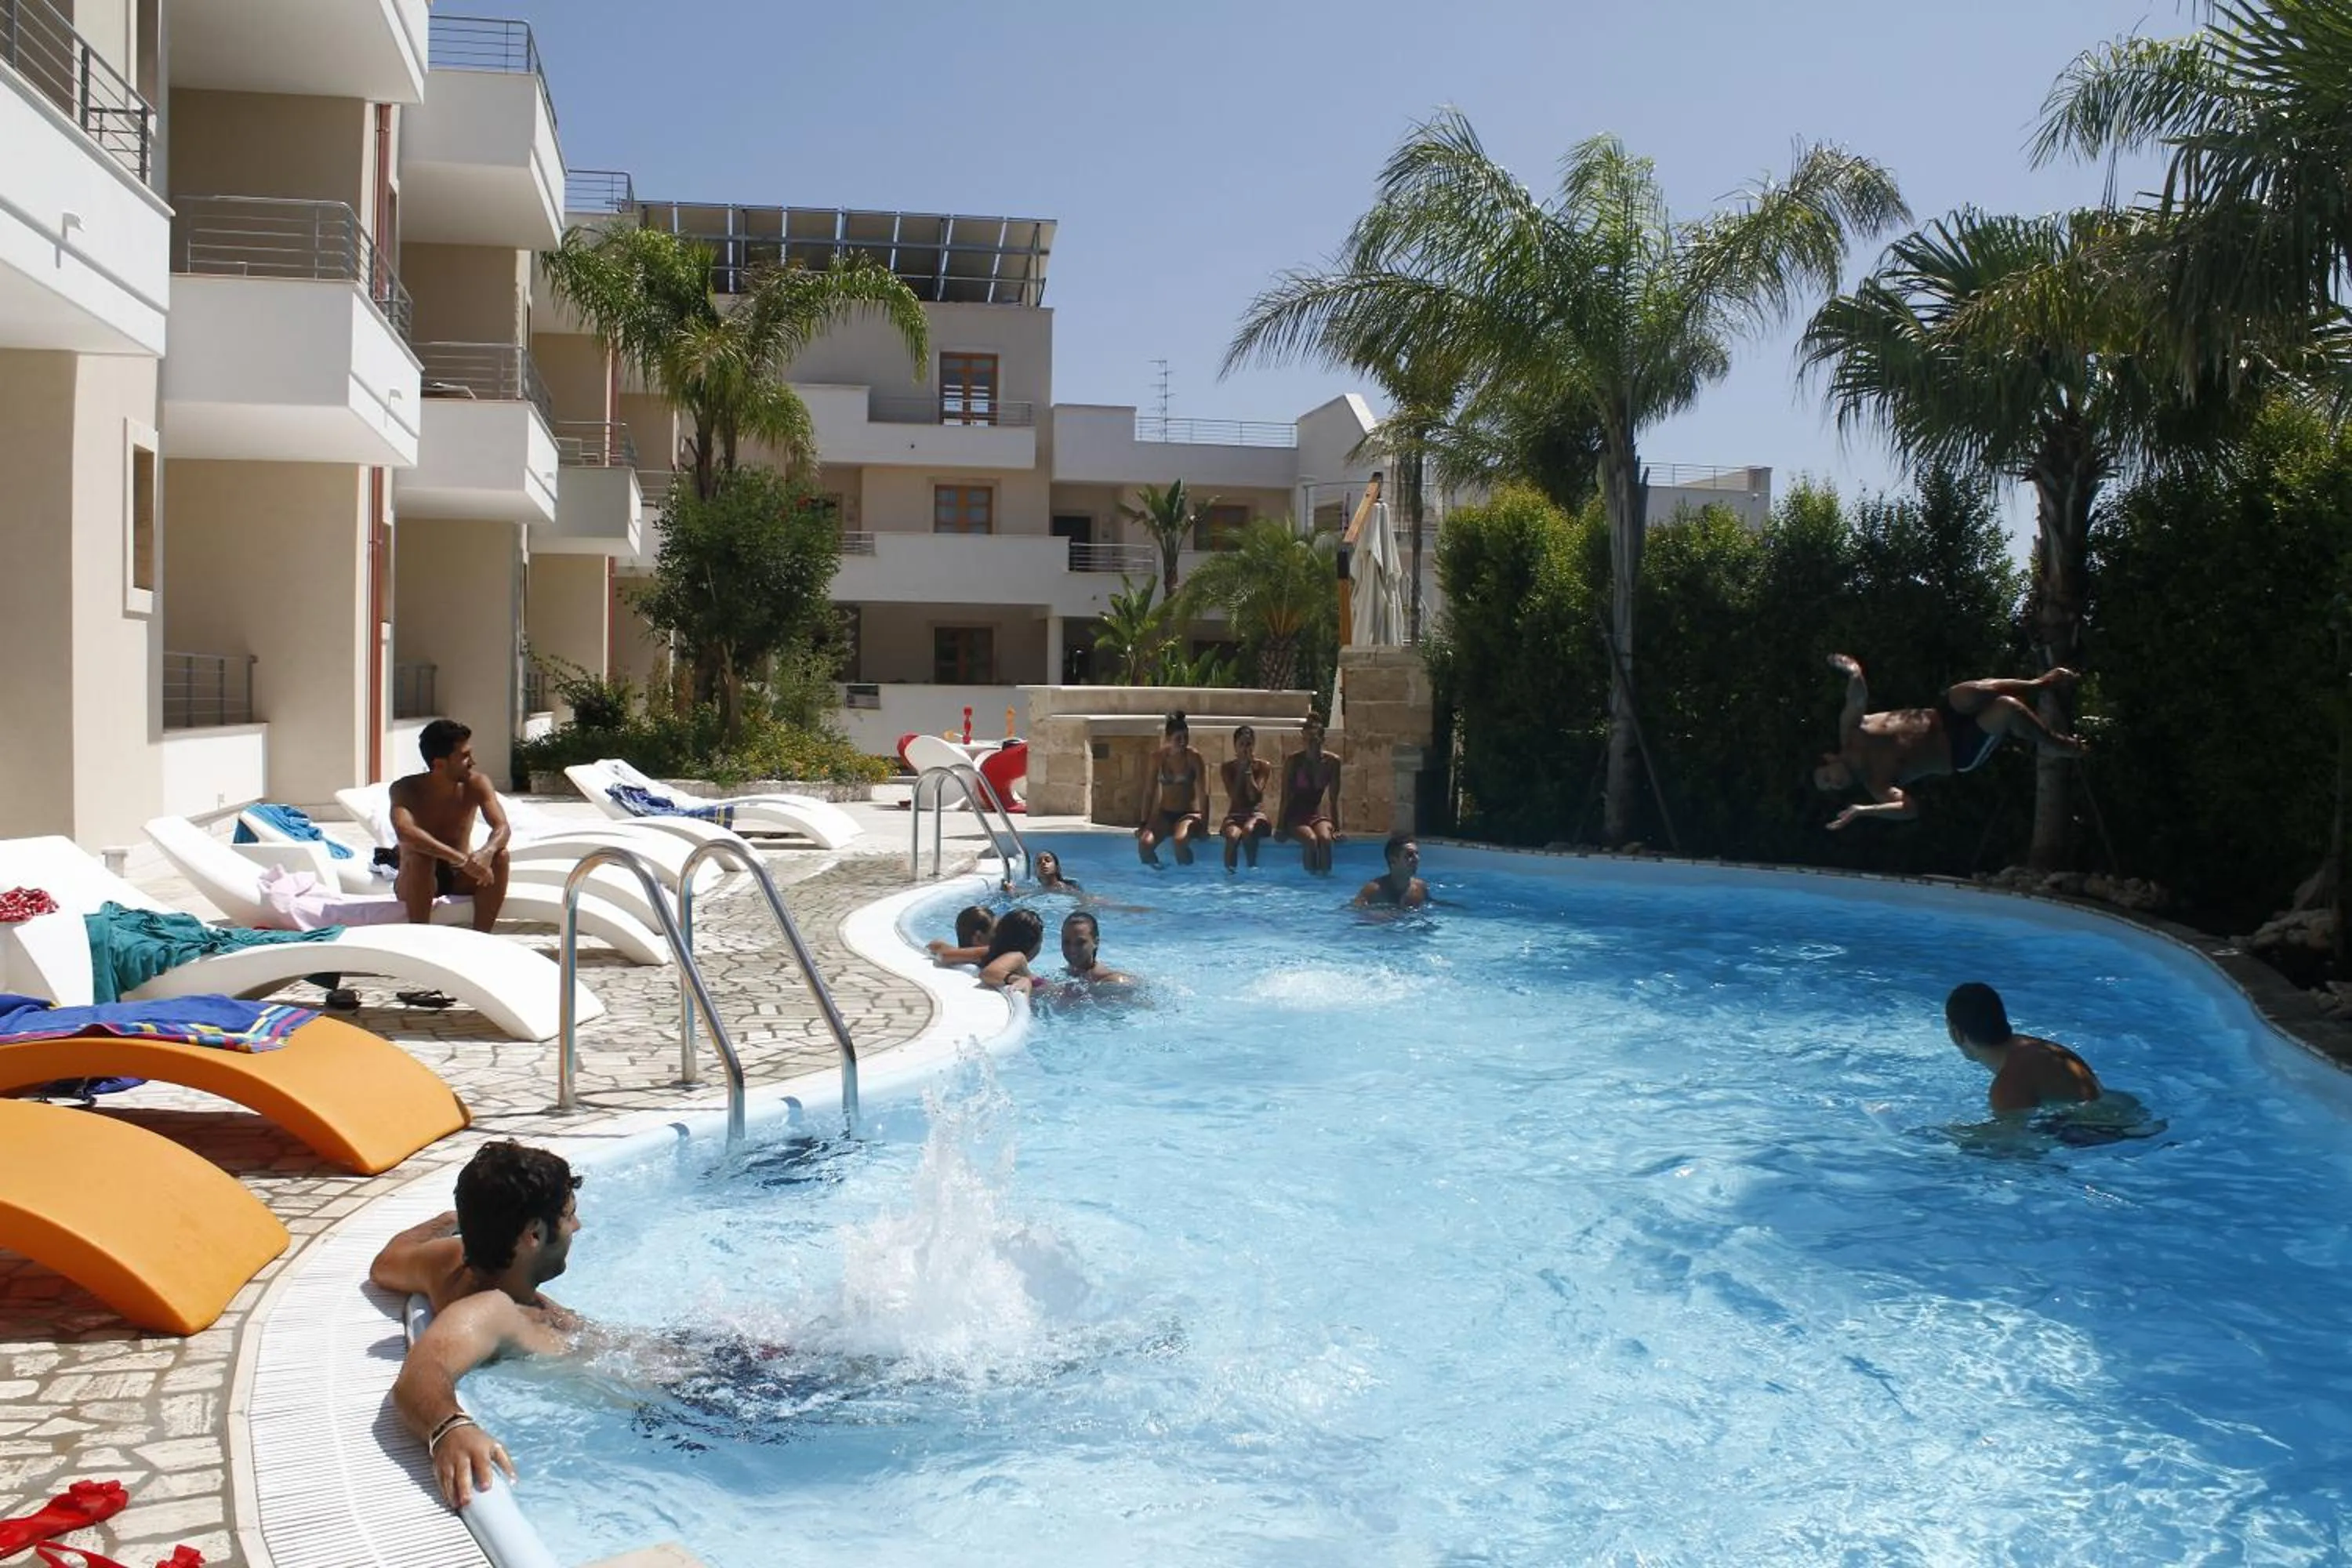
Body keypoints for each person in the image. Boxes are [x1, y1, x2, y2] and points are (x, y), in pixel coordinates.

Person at [376, 1141, 585, 1510]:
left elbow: (385, 1263)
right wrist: (449, 1427)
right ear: (533, 1234)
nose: (577, 1227)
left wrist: (456, 1219)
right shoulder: (492, 1309)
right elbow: (420, 1373)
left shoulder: (451, 1258)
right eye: (569, 1216)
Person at [1815, 655, 2086, 829]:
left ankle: (2041, 684)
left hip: (1944, 716)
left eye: (1826, 778)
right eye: (1831, 789)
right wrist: (1864, 811)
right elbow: (1909, 809)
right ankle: (2053, 743)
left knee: (1968, 692)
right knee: (2007, 708)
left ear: (1830, 758)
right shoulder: (1876, 784)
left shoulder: (1850, 730)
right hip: (1959, 750)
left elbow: (1857, 700)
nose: (1834, 785)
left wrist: (1854, 672)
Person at [388, 718, 511, 931]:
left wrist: (487, 852)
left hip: (460, 877)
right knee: (421, 858)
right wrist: (462, 860)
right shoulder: (405, 789)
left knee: (501, 856)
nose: (473, 762)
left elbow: (502, 827)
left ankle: (482, 939)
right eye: (464, 757)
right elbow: (406, 833)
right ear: (439, 764)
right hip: (416, 878)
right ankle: (420, 939)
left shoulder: (476, 783)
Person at [1944, 982, 2102, 1113]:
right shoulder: (2035, 1049)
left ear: (1956, 1033)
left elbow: (2017, 1145)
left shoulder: (2009, 1084)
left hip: (2099, 1135)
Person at [1137, 711, 1209, 866]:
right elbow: (1149, 792)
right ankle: (1160, 876)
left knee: (1180, 841)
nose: (1183, 743)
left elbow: (1203, 793)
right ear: (1168, 739)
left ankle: (1187, 878)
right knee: (1144, 845)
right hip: (1165, 814)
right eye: (1178, 739)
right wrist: (1143, 823)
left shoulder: (1194, 758)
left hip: (1188, 814)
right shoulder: (1157, 758)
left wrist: (1205, 826)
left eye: (1186, 738)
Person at [1279, 715, 1343, 873]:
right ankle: (1311, 885)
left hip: (1316, 815)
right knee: (1311, 840)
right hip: (1295, 816)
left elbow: (1333, 799)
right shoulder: (1294, 761)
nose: (1310, 744)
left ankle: (1325, 883)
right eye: (1306, 740)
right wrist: (1280, 827)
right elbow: (1285, 796)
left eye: (1314, 740)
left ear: (1322, 740)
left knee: (1326, 840)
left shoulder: (1332, 762)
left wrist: (1337, 828)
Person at [1036, 910, 1138, 1004]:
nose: (1072, 949)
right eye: (1067, 942)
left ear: (1096, 942)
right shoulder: (1059, 977)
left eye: (1080, 942)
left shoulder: (1113, 982)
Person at [1219, 724, 1275, 872]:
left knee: (1249, 831)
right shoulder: (1227, 768)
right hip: (1235, 815)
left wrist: (1248, 771)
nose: (1245, 749)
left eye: (1249, 744)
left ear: (1254, 745)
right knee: (1232, 837)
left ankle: (1252, 870)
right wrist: (1241, 770)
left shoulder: (1263, 766)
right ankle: (1230, 876)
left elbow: (1255, 797)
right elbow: (1235, 797)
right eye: (1241, 744)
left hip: (1256, 815)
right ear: (1235, 747)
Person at [976, 907, 1047, 995]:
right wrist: (1020, 979)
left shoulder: (989, 952)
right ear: (1034, 943)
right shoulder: (1017, 957)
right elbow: (987, 974)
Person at [1354, 833, 1431, 909]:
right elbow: (1354, 912)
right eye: (1410, 855)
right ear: (1393, 861)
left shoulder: (1421, 888)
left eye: (1417, 854)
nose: (1417, 859)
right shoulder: (1373, 891)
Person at [926, 905, 996, 967]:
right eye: (996, 931)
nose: (1002, 933)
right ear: (978, 938)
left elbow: (938, 947)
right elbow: (943, 953)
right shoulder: (993, 952)